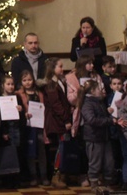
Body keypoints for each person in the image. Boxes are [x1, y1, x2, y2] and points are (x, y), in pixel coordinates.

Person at [80, 80, 126, 189]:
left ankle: (108, 184)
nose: (101, 90)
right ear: (92, 91)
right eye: (98, 88)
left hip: (104, 137)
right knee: (95, 163)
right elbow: (92, 120)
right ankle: (94, 185)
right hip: (94, 138)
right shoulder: (87, 104)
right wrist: (110, 121)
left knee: (109, 163)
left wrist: (110, 115)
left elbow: (102, 116)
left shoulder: (99, 102)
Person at [42, 57, 72, 188]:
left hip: (60, 119)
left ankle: (62, 173)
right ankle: (56, 175)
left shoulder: (59, 82)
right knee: (61, 147)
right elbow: (56, 105)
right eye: (60, 66)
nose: (62, 68)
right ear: (52, 69)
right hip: (56, 120)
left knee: (64, 146)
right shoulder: (51, 85)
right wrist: (66, 119)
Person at [16, 70, 49, 186]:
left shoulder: (39, 93)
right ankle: (33, 175)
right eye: (24, 80)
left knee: (41, 151)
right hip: (28, 127)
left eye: (29, 79)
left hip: (39, 126)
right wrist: (23, 113)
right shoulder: (19, 94)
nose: (27, 82)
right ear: (21, 82)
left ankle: (43, 175)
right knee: (30, 152)